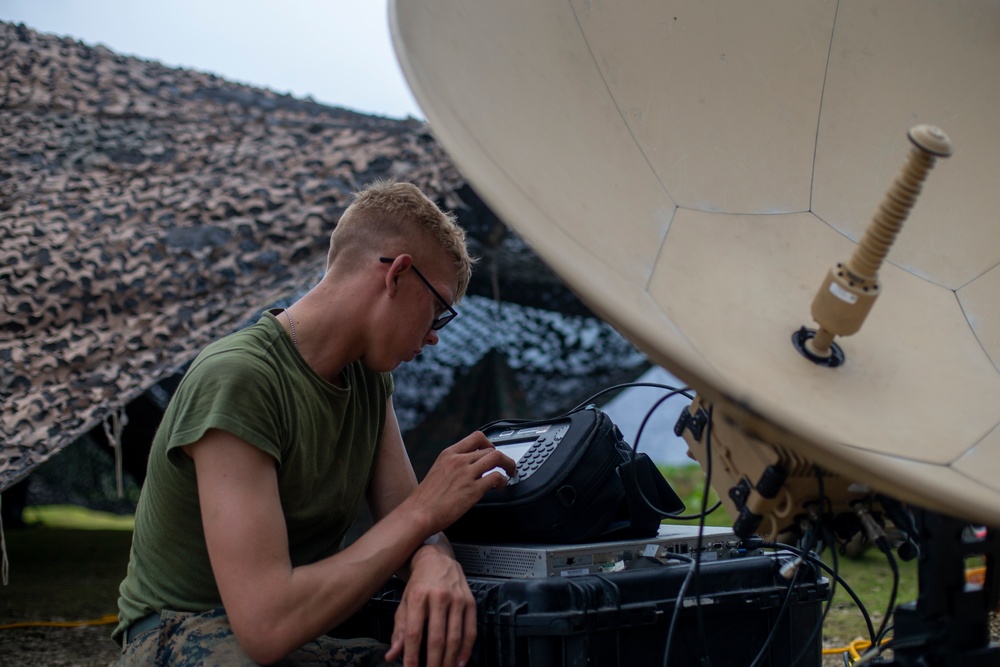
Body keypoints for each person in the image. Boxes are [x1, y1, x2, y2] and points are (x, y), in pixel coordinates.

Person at [113, 179, 516, 667]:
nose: (433, 337)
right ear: (397, 275)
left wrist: (434, 560)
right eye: (437, 312)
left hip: (297, 631)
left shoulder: (369, 380)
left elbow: (404, 516)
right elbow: (266, 624)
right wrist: (425, 515)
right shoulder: (241, 378)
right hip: (180, 633)